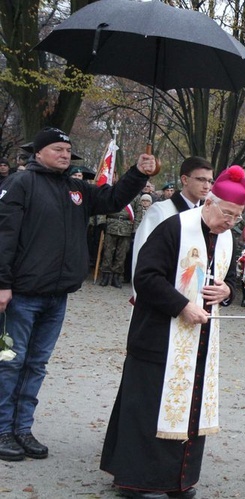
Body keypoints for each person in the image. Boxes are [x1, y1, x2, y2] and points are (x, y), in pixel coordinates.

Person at [0, 127, 154, 462]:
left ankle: (22, 428)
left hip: (58, 295)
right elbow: (4, 235)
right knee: (11, 363)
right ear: (38, 152)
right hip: (22, 294)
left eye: (68, 150)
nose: (65, 155)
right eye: (57, 149)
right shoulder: (20, 184)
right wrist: (2, 283)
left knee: (36, 364)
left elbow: (112, 199)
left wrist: (137, 173)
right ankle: (2, 429)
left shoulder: (76, 188)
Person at [100, 165, 245, 499]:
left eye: (237, 217)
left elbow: (230, 280)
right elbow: (146, 277)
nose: (230, 222)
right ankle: (134, 480)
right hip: (158, 335)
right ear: (209, 201)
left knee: (191, 409)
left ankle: (179, 481)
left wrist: (228, 292)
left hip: (200, 341)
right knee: (147, 407)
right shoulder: (174, 228)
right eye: (227, 213)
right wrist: (181, 305)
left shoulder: (227, 238)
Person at [131, 157, 214, 284]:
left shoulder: (206, 215)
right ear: (185, 179)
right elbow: (141, 254)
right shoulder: (160, 211)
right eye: (201, 179)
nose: (207, 186)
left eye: (210, 181)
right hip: (162, 289)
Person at [99, 204, 136, 288]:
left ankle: (116, 277)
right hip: (111, 225)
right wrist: (102, 222)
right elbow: (103, 206)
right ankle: (105, 276)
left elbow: (138, 213)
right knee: (107, 252)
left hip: (127, 227)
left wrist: (135, 229)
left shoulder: (134, 196)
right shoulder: (112, 192)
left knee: (122, 254)